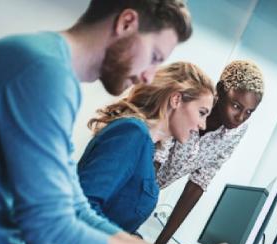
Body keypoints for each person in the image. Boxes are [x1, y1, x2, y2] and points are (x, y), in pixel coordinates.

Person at [0, 0, 229, 244]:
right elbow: (54, 229)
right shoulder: (43, 71)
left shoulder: (54, 74)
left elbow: (77, 209)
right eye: (154, 56)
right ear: (126, 23)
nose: (149, 75)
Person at [78, 62, 216, 234]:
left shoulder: (147, 147)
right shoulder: (132, 133)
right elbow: (83, 209)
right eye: (202, 113)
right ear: (176, 100)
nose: (202, 125)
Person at [154, 60, 265, 244]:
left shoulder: (236, 132)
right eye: (236, 106)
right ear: (220, 90)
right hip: (130, 182)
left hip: (144, 196)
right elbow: (156, 158)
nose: (240, 118)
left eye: (249, 112)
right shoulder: (189, 104)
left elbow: (199, 183)